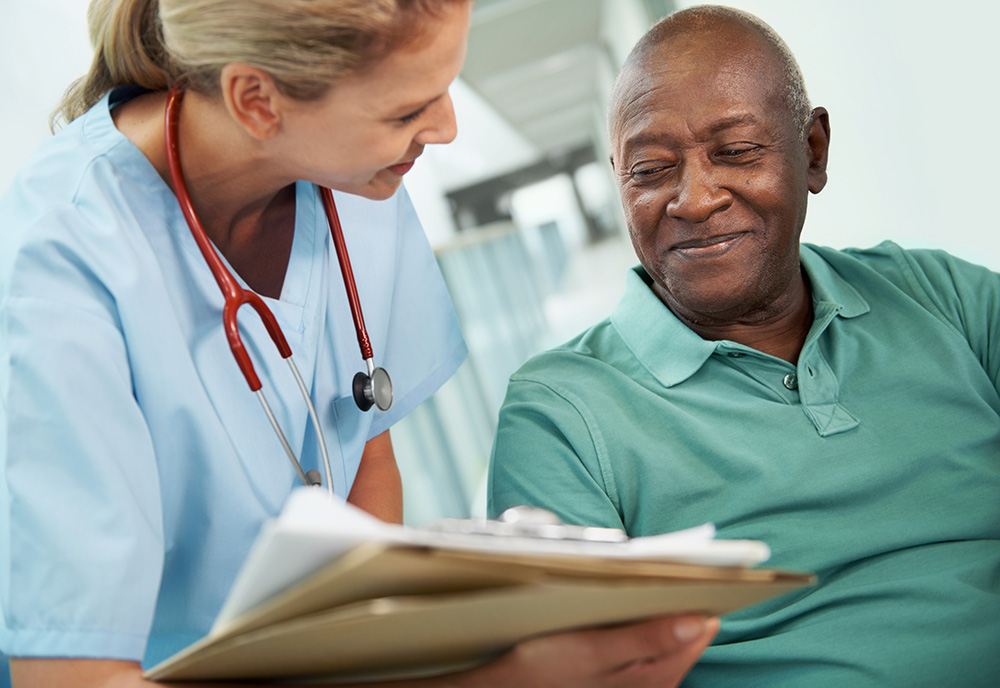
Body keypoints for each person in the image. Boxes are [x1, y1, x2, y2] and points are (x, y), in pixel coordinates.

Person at [0, 1, 721, 686]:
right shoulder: (57, 266)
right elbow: (74, 677)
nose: (444, 129)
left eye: (444, 89)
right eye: (407, 109)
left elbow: (366, 445)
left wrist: (383, 641)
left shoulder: (354, 181)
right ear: (257, 101)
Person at [488, 4, 1000, 687]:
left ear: (812, 150)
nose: (694, 199)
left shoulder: (946, 297)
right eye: (650, 170)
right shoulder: (560, 414)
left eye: (735, 152)